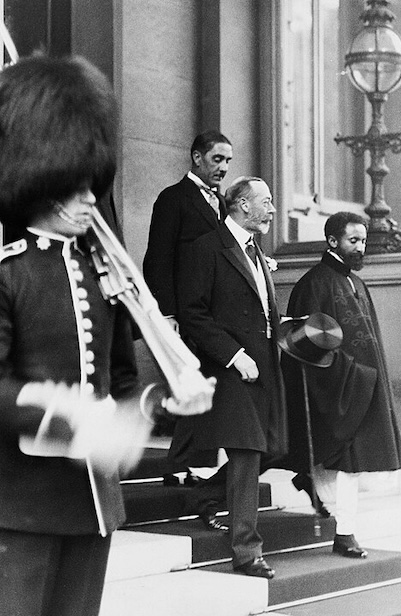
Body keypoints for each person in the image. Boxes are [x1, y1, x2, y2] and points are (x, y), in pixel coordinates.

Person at [0, 54, 213, 616]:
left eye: (94, 183)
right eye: (78, 186)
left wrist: (161, 400)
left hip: (94, 500)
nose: (93, 198)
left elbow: (120, 380)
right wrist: (68, 414)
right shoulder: (7, 272)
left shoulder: (106, 277)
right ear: (38, 179)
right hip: (18, 503)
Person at [174, 176, 287, 578]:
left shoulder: (257, 251)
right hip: (233, 369)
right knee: (246, 452)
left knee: (276, 447)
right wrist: (235, 356)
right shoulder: (206, 249)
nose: (273, 209)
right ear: (241, 204)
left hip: (267, 366)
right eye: (267, 201)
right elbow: (194, 314)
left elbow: (260, 313)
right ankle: (246, 552)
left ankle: (205, 494)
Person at [281, 211, 401, 559]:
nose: (360, 247)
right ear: (333, 241)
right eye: (354, 240)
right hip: (338, 387)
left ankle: (329, 506)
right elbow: (304, 345)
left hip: (360, 385)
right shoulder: (313, 284)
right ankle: (345, 533)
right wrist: (353, 376)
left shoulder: (357, 283)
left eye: (363, 241)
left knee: (348, 463)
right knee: (343, 462)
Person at [143, 129, 233, 483]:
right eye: (217, 159)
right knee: (191, 385)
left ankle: (186, 466)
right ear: (197, 157)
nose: (224, 167)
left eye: (228, 160)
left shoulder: (222, 203)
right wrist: (167, 314)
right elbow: (157, 259)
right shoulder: (173, 199)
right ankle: (181, 466)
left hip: (212, 313)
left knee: (204, 385)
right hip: (183, 312)